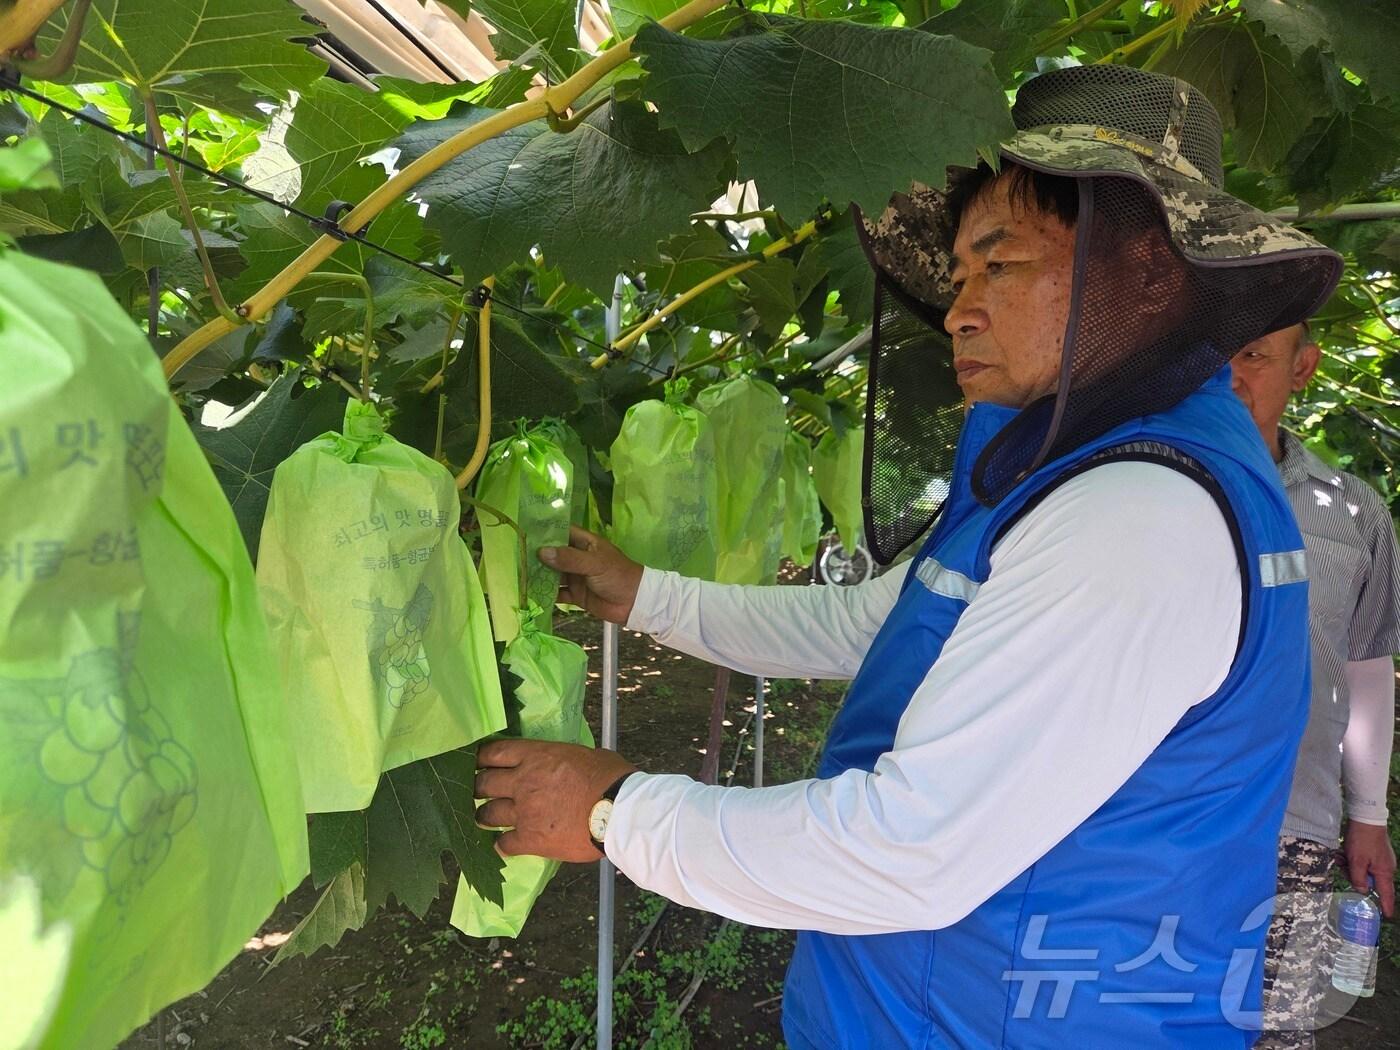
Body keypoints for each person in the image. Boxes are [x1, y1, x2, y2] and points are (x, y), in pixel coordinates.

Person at [474, 65, 1343, 1046]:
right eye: (959, 277)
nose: (959, 310)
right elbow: (888, 621)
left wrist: (616, 813)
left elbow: (907, 853)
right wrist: (651, 597)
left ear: (1145, 273)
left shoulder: (1136, 518)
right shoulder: (1063, 455)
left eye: (999, 265)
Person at [1229, 323, 1399, 1048]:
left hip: (1297, 825)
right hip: (1158, 819)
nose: (1228, 375)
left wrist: (1368, 814)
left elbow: (1366, 667)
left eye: (1253, 355)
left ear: (1303, 369)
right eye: (1210, 353)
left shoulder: (1354, 511)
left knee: (1275, 1030)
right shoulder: (1138, 487)